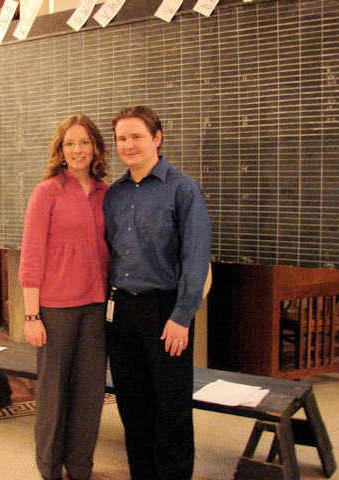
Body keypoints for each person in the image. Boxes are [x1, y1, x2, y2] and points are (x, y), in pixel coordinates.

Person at [103, 106, 212, 480]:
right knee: (132, 404)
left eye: (136, 136)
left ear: (157, 138)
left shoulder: (183, 188)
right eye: (121, 138)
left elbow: (196, 256)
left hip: (166, 311)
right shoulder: (114, 194)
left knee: (171, 405)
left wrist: (182, 316)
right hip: (121, 311)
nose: (128, 145)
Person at [18, 115, 110, 480]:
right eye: (69, 143)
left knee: (89, 393)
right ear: (60, 150)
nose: (77, 150)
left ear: (96, 148)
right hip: (55, 310)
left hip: (95, 308)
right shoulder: (47, 192)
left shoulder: (107, 193)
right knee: (54, 393)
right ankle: (50, 467)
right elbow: (31, 257)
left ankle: (81, 466)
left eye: (84, 142)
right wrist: (31, 316)